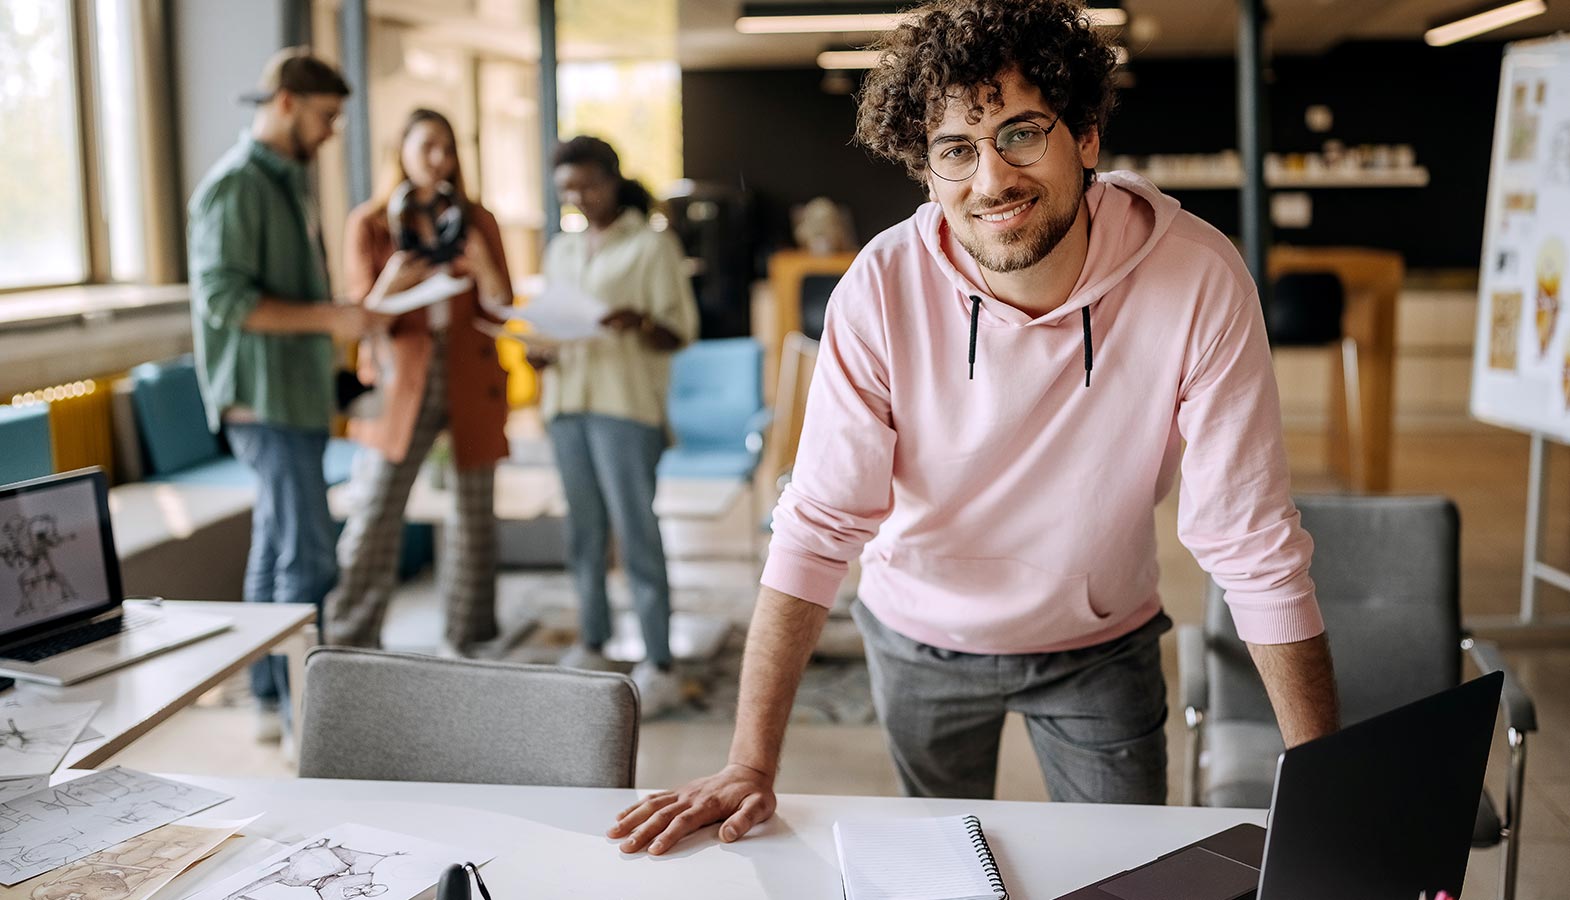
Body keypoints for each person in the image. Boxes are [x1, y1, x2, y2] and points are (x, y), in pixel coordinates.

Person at [609, 0, 1339, 855]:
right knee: (945, 870)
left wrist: (1327, 793)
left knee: (1130, 869)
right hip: (918, 637)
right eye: (956, 149)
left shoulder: (1199, 278)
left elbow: (1250, 543)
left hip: (1099, 643)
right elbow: (818, 523)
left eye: (1021, 134)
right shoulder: (880, 288)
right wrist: (748, 762)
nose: (991, 180)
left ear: (1087, 137)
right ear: (927, 169)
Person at [186, 48, 413, 740]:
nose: (331, 131)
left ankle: (268, 699)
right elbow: (225, 300)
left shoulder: (286, 183)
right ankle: (307, 722)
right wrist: (330, 318)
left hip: (295, 396)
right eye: (325, 116)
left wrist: (340, 316)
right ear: (285, 102)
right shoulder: (236, 187)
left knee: (276, 547)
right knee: (309, 558)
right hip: (265, 401)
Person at [323, 108, 512, 655]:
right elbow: (361, 317)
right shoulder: (370, 223)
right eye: (427, 146)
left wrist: (483, 267)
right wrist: (392, 281)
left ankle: (468, 641)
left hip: (470, 374)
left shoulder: (476, 220)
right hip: (398, 379)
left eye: (447, 149)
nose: (439, 159)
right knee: (376, 512)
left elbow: (501, 308)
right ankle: (351, 642)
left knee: (474, 518)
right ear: (400, 149)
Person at [535, 136, 699, 718]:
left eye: (588, 185)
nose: (578, 198)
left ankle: (659, 661)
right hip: (566, 403)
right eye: (566, 190)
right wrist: (538, 350)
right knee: (584, 533)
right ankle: (593, 642)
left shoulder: (652, 245)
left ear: (612, 180)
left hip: (625, 408)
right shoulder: (561, 249)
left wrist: (639, 321)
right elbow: (552, 323)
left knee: (636, 534)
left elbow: (680, 332)